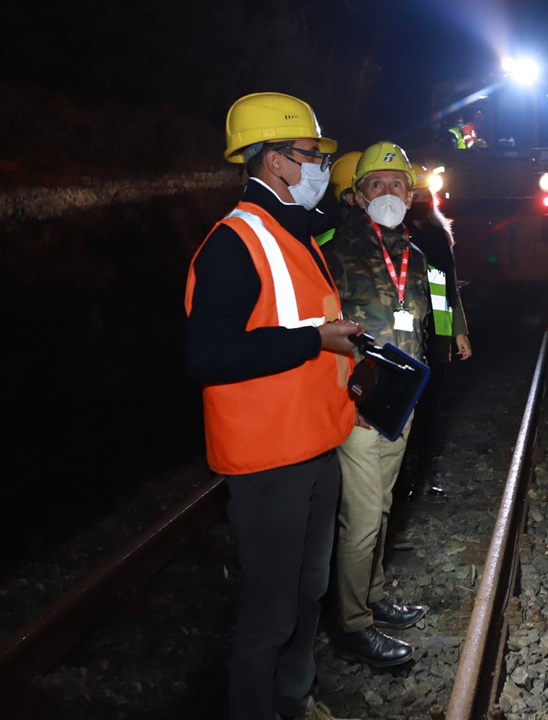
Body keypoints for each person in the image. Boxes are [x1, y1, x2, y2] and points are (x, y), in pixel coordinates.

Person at [184, 92, 361, 720]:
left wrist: (351, 394)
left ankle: (293, 699)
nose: (320, 165)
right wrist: (316, 339)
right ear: (278, 161)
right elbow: (207, 357)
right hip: (267, 461)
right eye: (311, 154)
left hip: (315, 445)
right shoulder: (234, 243)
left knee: (308, 591)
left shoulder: (294, 234)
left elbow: (309, 334)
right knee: (270, 609)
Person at [322, 141, 431, 667]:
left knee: (383, 508)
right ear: (358, 195)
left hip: (399, 404)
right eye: (376, 185)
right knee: (362, 518)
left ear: (410, 196)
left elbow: (430, 316)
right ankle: (351, 623)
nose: (388, 192)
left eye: (397, 185)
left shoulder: (416, 254)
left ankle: (373, 595)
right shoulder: (336, 252)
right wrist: (350, 397)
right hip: (360, 406)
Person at [403, 163, 471, 503]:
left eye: (420, 192)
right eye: (411, 191)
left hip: (436, 331)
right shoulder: (392, 232)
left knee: (430, 410)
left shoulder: (438, 234)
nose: (416, 197)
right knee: (405, 409)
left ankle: (424, 478)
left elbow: (449, 285)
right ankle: (404, 481)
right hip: (404, 332)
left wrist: (458, 331)